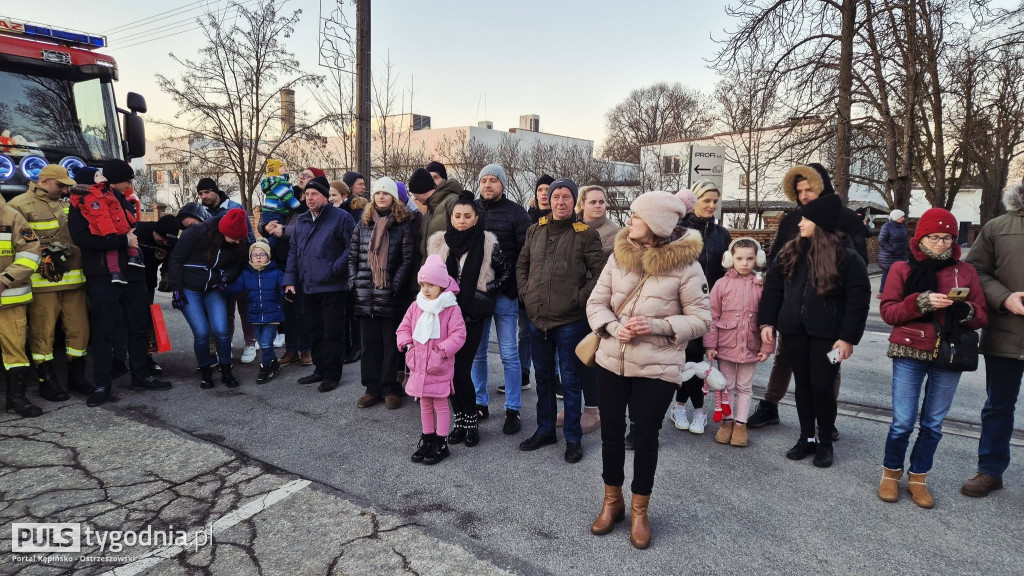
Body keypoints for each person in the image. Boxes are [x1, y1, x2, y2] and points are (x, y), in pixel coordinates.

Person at [586, 191, 711, 549]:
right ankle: (612, 502)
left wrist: (657, 326)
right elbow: (596, 302)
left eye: (637, 217)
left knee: (644, 437)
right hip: (612, 360)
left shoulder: (687, 266)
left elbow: (702, 319)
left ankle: (640, 510)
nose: (630, 221)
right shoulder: (619, 255)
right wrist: (613, 327)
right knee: (611, 433)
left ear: (656, 223)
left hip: (658, 367)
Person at [877, 208, 987, 507]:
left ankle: (918, 478)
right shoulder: (902, 268)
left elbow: (981, 315)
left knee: (933, 423)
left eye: (948, 238)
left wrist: (967, 311)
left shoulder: (965, 272)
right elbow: (889, 312)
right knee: (902, 421)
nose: (941, 243)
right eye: (934, 237)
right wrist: (922, 302)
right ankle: (891, 474)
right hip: (909, 350)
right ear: (921, 238)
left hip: (950, 353)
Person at [747, 163, 868, 434]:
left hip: (828, 313)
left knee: (829, 367)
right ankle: (770, 404)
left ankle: (826, 419)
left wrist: (846, 329)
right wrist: (771, 313)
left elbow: (857, 270)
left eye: (809, 189)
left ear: (821, 187)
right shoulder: (792, 220)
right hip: (793, 309)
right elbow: (776, 266)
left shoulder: (845, 219)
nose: (804, 196)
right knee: (784, 358)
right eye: (799, 191)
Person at [517, 178, 607, 463]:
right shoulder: (535, 230)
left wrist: (578, 298)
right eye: (556, 196)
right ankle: (545, 430)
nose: (560, 202)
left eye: (566, 197)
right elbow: (522, 264)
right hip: (537, 318)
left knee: (570, 380)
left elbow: (601, 273)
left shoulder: (586, 234)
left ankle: (573, 438)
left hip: (569, 321)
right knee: (543, 378)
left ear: (574, 201)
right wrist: (526, 293)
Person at [69, 160, 171, 407]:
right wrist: (122, 242)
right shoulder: (83, 203)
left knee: (138, 327)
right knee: (103, 331)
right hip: (102, 275)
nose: (130, 185)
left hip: (132, 275)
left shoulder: (122, 200)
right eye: (128, 180)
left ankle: (140, 375)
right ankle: (102, 384)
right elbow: (83, 240)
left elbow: (132, 232)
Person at [427, 193, 512, 442]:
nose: (462, 221)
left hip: (471, 317)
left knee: (461, 371)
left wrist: (485, 290)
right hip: (443, 316)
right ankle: (460, 422)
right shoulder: (438, 243)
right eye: (457, 216)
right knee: (449, 372)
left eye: (467, 216)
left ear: (475, 218)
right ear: (451, 218)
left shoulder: (487, 243)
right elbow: (429, 277)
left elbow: (506, 272)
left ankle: (471, 422)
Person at [960, 178, 1024, 498]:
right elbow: (974, 272)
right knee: (998, 406)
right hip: (1005, 334)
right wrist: (1004, 297)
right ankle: (990, 471)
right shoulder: (998, 227)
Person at [8, 164, 91, 401]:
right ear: (43, 181)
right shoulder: (18, 205)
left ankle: (77, 377)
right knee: (42, 333)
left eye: (67, 186)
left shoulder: (68, 204)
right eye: (60, 185)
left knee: (80, 331)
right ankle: (47, 381)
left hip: (74, 282)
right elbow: (14, 247)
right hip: (43, 284)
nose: (64, 190)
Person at [671, 179, 732, 435]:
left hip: (712, 306)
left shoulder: (722, 234)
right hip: (682, 304)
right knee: (687, 358)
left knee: (698, 360)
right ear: (693, 200)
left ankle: (690, 409)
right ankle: (687, 408)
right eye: (706, 200)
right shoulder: (679, 230)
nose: (711, 205)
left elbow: (728, 270)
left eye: (715, 201)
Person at [284, 179, 356, 393]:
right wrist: (289, 280)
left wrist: (334, 269)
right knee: (314, 330)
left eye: (314, 194)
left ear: (325, 196)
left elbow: (352, 247)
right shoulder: (302, 220)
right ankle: (320, 369)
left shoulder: (341, 217)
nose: (310, 198)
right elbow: (293, 251)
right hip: (309, 285)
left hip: (333, 287)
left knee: (332, 332)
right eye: (307, 194)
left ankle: (332, 374)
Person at [348, 177, 414, 408]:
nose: (381, 197)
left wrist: (394, 286)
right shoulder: (363, 224)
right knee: (369, 345)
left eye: (386, 193)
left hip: (389, 295)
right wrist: (354, 282)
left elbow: (407, 260)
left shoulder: (403, 224)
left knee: (390, 345)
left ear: (393, 197)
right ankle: (371, 389)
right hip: (365, 294)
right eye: (377, 193)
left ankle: (389, 388)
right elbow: (353, 256)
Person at [474, 164, 533, 425]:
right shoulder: (471, 210)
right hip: (476, 295)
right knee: (478, 353)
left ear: (502, 184)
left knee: (509, 353)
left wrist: (511, 286)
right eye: (483, 180)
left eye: (493, 180)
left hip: (505, 295)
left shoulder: (517, 213)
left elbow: (525, 256)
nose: (487, 185)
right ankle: (479, 403)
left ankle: (513, 409)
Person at [397, 254, 467, 465]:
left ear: (442, 285)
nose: (426, 289)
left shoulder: (451, 308)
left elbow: (459, 334)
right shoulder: (416, 306)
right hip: (419, 366)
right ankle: (428, 440)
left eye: (431, 285)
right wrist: (408, 345)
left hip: (439, 366)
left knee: (441, 405)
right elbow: (403, 327)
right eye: (423, 284)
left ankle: (441, 443)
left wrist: (442, 351)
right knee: (425, 404)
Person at [168, 208, 250, 388]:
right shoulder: (197, 232)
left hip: (213, 287)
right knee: (202, 333)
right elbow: (175, 259)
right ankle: (206, 373)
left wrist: (227, 277)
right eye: (234, 238)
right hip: (190, 287)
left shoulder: (238, 241)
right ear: (224, 231)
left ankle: (227, 371)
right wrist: (177, 289)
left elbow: (239, 264)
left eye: (240, 239)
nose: (237, 242)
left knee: (221, 331)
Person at [704, 238, 773, 447]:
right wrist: (710, 345)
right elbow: (712, 316)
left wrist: (766, 346)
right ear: (730, 259)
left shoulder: (761, 285)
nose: (744, 263)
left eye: (750, 259)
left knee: (745, 386)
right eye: (739, 258)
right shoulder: (721, 284)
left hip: (751, 346)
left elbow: (768, 317)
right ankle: (727, 422)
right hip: (725, 346)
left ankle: (740, 425)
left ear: (757, 259)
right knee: (726, 386)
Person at [197, 177, 258, 364]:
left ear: (216, 191)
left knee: (245, 307)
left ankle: (250, 343)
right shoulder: (202, 212)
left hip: (241, 263)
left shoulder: (234, 208)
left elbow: (250, 236)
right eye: (200, 193)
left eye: (207, 192)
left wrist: (251, 263)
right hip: (219, 267)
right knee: (226, 310)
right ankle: (226, 344)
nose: (204, 196)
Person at [0, 189, 44, 416]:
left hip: (9, 299)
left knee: (15, 350)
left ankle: (16, 399)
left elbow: (31, 252)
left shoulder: (12, 216)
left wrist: (5, 280)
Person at [260, 181, 312, 368]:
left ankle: (306, 348)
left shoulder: (307, 209)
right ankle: (291, 349)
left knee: (302, 310)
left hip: (300, 264)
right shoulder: (279, 201)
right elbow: (263, 222)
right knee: (286, 310)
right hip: (279, 263)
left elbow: (307, 229)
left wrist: (283, 231)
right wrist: (265, 227)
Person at [69, 169, 144, 285]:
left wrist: (133, 226)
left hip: (129, 274)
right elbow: (100, 220)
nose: (103, 177)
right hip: (101, 274)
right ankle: (116, 271)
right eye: (97, 175)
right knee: (112, 253)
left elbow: (125, 216)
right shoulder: (92, 199)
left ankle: (132, 259)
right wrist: (120, 238)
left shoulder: (113, 196)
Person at [226, 239, 285, 384]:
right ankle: (273, 362)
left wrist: (288, 293)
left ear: (268, 256)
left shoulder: (277, 273)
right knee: (261, 341)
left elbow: (283, 290)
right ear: (250, 257)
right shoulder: (246, 274)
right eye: (255, 255)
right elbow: (236, 288)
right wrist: (223, 286)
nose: (258, 257)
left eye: (262, 254)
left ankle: (266, 367)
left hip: (272, 314)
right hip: (255, 314)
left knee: (265, 343)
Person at [409, 167, 463, 265]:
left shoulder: (451, 201)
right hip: (430, 268)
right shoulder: (429, 210)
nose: (415, 198)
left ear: (421, 190)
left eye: (414, 193)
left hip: (446, 267)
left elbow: (461, 235)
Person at [258, 159, 300, 249]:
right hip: (275, 213)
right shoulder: (279, 183)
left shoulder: (274, 181)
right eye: (282, 167)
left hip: (271, 212)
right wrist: (297, 205)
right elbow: (286, 196)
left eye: (286, 167)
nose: (286, 168)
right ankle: (266, 247)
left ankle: (265, 244)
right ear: (275, 170)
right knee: (275, 234)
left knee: (272, 232)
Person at [577, 185, 620, 254]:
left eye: (601, 202)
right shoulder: (569, 224)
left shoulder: (613, 231)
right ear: (582, 204)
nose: (598, 206)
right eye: (593, 202)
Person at [878, 209, 909, 296]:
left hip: (901, 254)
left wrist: (907, 249)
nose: (903, 218)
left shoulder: (902, 226)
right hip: (889, 256)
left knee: (900, 273)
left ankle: (899, 291)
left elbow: (904, 240)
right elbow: (881, 240)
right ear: (896, 217)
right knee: (887, 273)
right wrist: (892, 249)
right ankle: (882, 291)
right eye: (902, 217)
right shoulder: (886, 227)